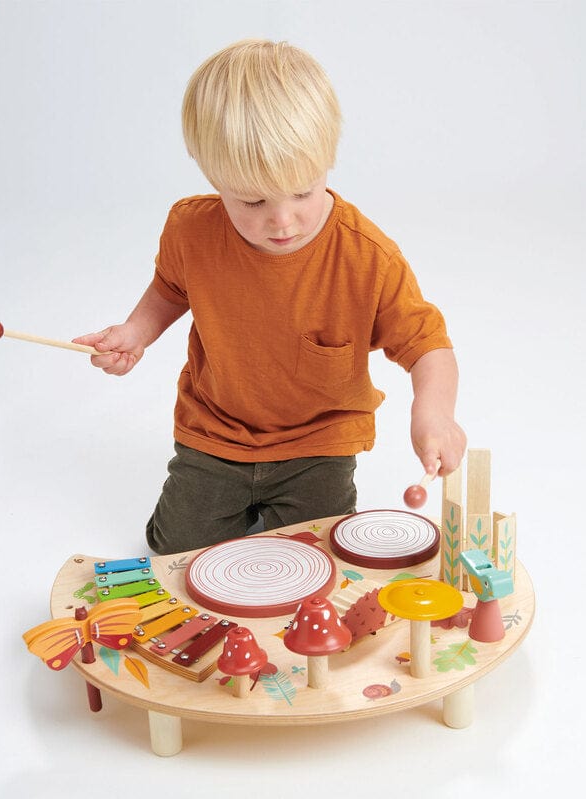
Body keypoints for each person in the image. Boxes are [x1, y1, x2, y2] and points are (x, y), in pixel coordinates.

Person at [74, 39, 466, 555]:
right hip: (216, 434)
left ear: (329, 157)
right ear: (209, 172)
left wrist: (434, 412)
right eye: (252, 200)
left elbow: (427, 345)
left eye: (303, 191)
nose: (282, 221)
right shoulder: (190, 229)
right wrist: (135, 333)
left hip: (317, 447)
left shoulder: (367, 256)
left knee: (321, 558)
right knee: (174, 550)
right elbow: (171, 288)